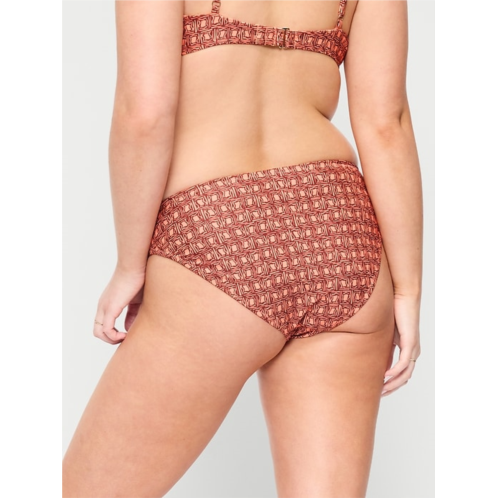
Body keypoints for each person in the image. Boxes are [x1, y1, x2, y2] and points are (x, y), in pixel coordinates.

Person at [62, 0, 423, 496]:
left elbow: (144, 112)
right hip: (341, 235)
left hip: (219, 231)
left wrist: (130, 264)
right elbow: (387, 123)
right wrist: (407, 288)